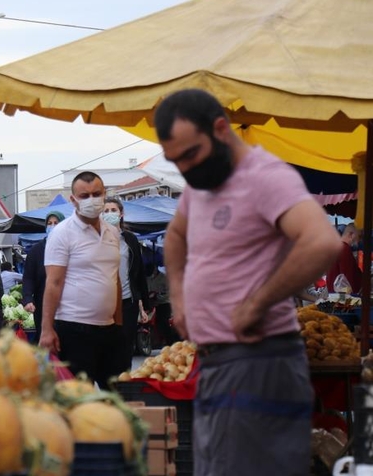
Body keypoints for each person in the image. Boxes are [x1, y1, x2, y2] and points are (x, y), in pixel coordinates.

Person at [156, 88, 342, 476]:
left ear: (221, 129)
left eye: (191, 154)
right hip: (218, 364)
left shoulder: (265, 177)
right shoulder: (202, 183)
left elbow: (322, 241)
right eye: (177, 162)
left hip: (259, 362)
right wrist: (179, 297)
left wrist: (258, 302)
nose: (188, 169)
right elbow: (175, 237)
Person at [39, 172, 122, 389]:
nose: (91, 199)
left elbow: (115, 279)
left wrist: (119, 323)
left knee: (116, 396)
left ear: (104, 194)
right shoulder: (61, 233)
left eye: (96, 194)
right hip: (74, 329)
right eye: (84, 196)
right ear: (73, 200)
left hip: (109, 330)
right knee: (77, 399)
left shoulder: (113, 232)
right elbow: (53, 283)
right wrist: (47, 329)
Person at [101, 197, 150, 370]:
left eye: (113, 210)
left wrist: (144, 301)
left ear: (121, 214)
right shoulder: (95, 238)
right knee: (106, 344)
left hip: (128, 301)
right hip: (103, 302)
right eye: (105, 211)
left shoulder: (130, 239)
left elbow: (138, 270)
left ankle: (124, 380)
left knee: (126, 344)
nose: (109, 214)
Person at [21, 211, 64, 344]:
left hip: (66, 305)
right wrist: (27, 299)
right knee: (45, 341)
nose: (52, 226)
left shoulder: (69, 248)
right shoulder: (36, 251)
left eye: (56, 223)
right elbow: (28, 278)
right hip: (42, 304)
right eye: (49, 223)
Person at [145, 263, 178, 346]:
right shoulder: (147, 278)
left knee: (163, 322)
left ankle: (170, 342)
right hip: (151, 303)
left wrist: (158, 296)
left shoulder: (164, 278)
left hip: (164, 303)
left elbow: (169, 292)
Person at [326, 223, 363, 293]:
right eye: (359, 236)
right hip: (342, 298)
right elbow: (348, 278)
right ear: (351, 234)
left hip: (334, 295)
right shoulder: (344, 249)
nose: (360, 240)